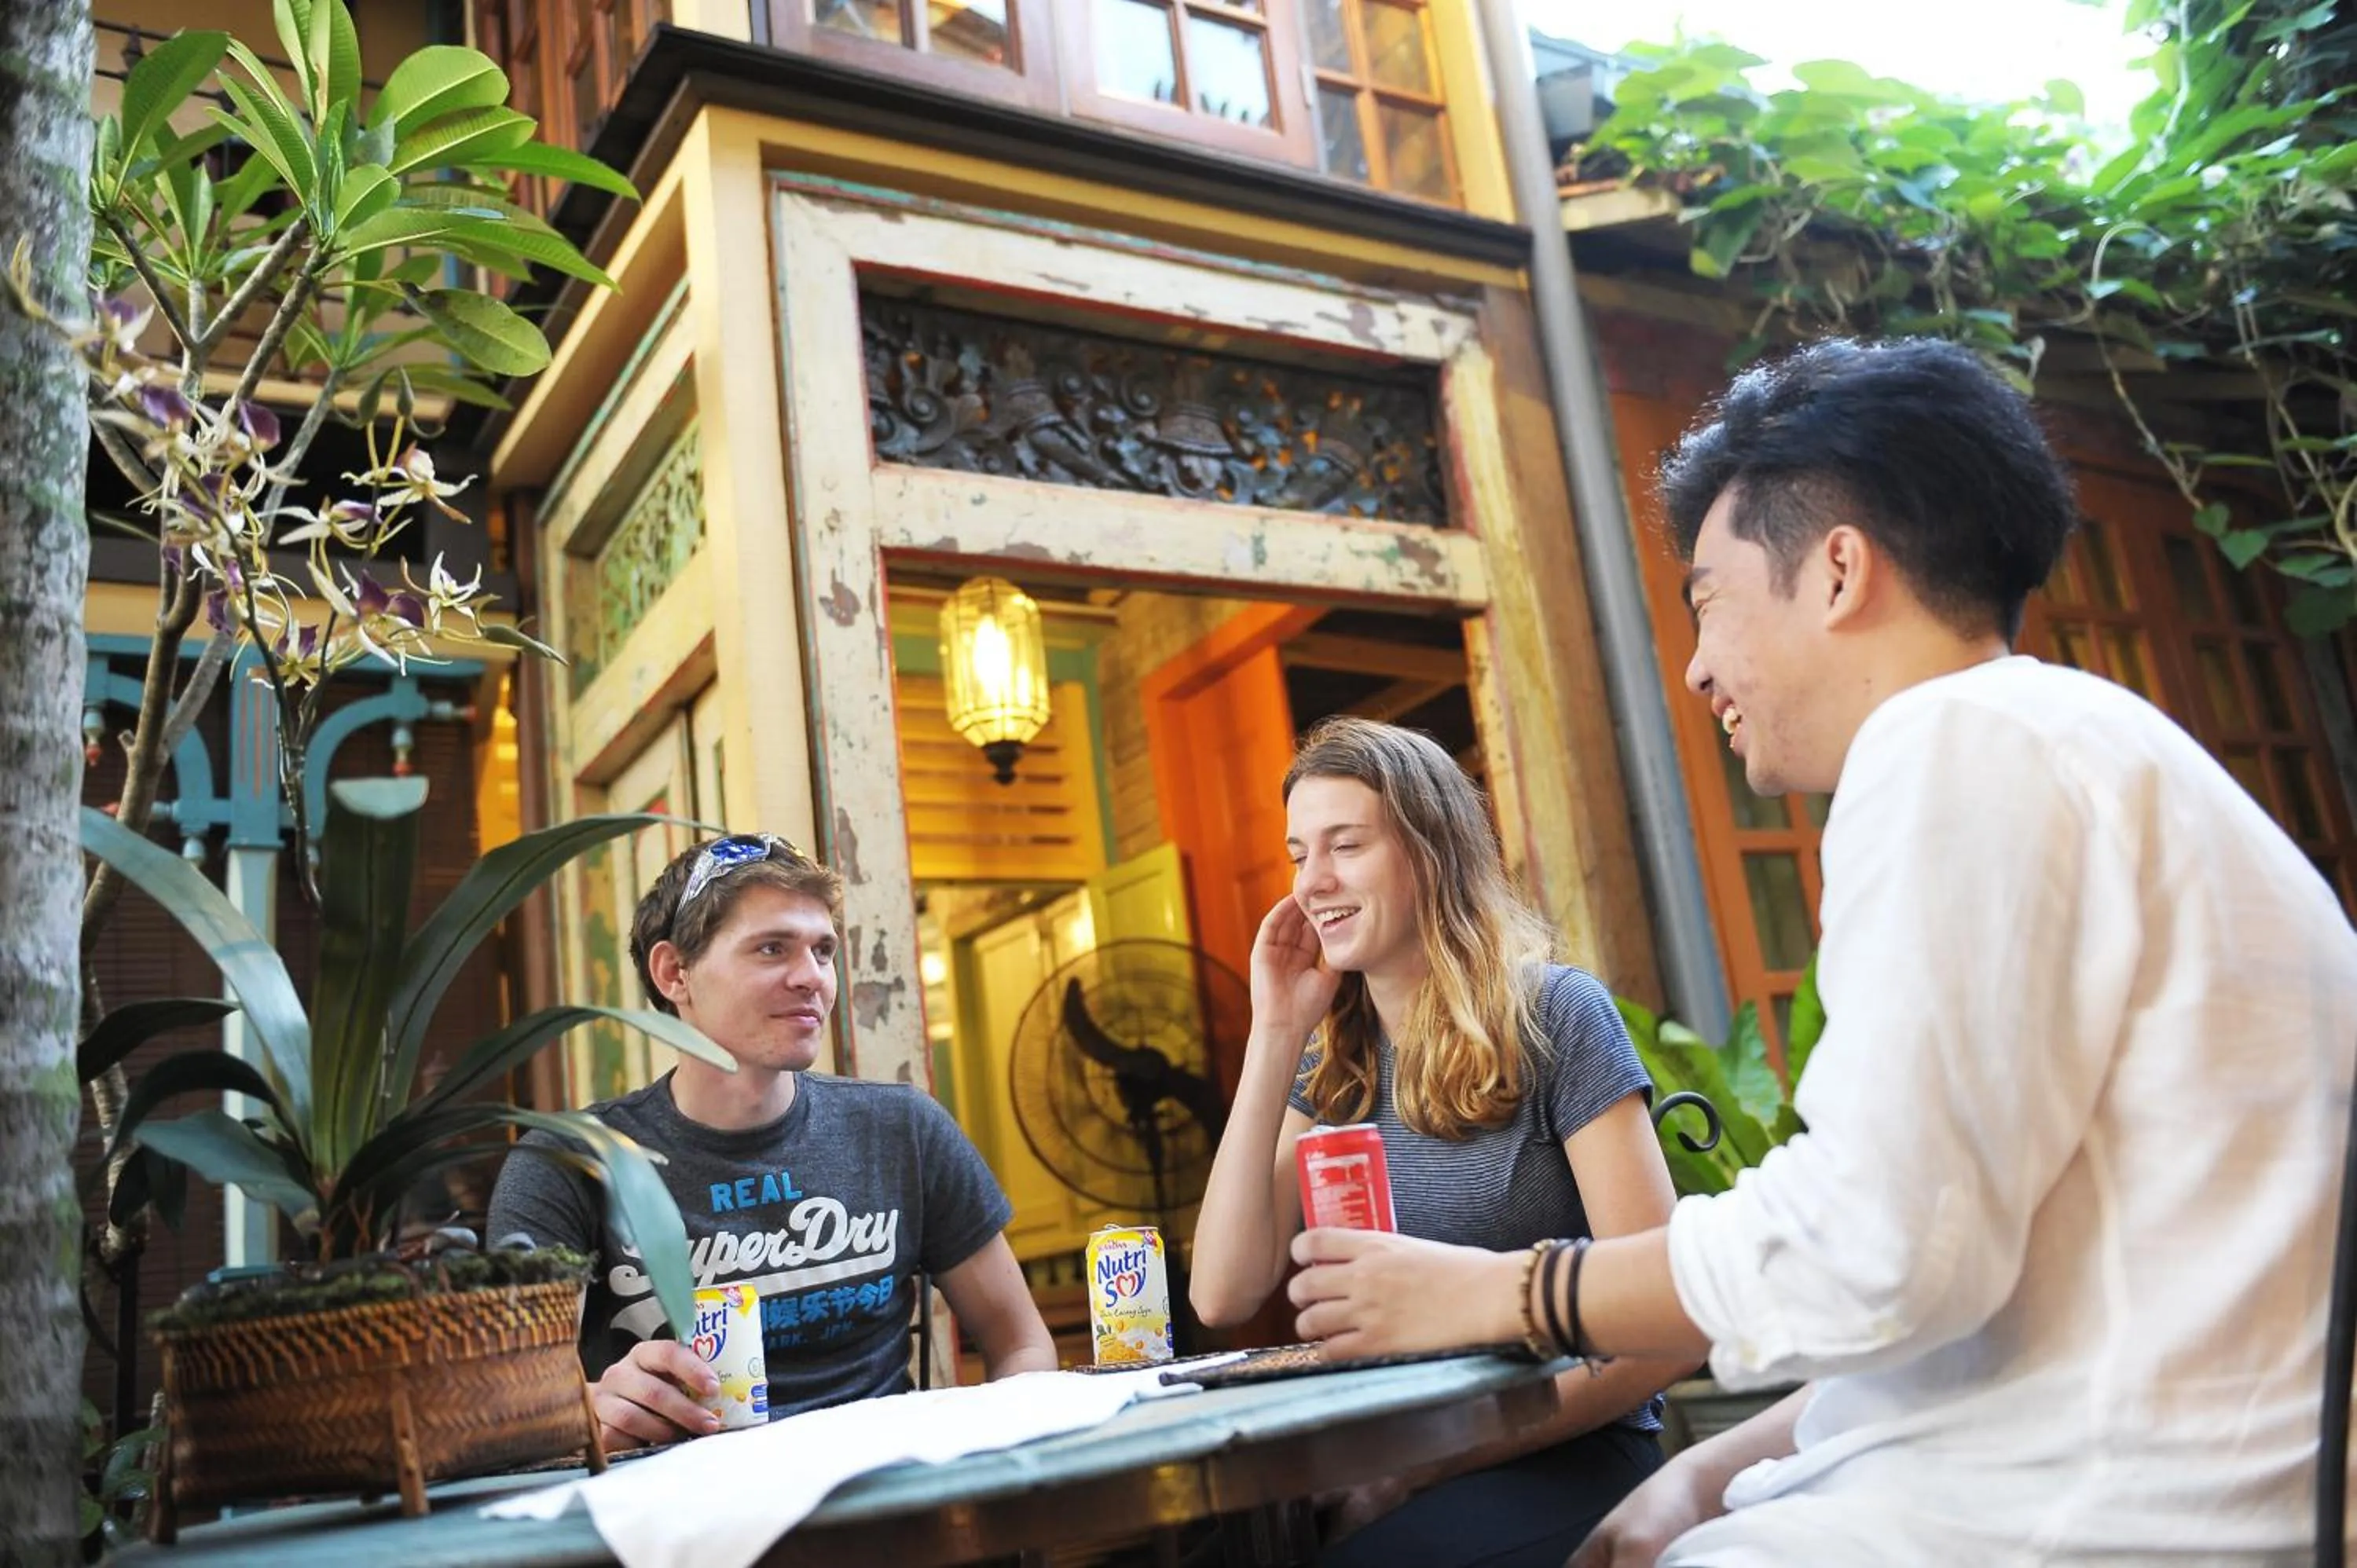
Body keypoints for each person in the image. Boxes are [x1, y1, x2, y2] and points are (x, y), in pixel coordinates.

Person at [1283, 338, 2357, 1565]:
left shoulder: (1957, 745)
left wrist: (1505, 1293)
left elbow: (1881, 1250)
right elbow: (1956, 1284)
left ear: (1838, 571)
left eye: (1708, 600)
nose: (1695, 665)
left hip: (2092, 1517)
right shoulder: (2082, 744)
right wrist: (1705, 1469)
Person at [1189, 716, 1696, 1567]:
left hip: (1565, 1453)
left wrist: (1431, 1467)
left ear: (1429, 853)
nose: (1313, 882)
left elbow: (1668, 1328)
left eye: (1345, 844)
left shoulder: (1559, 1018)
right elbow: (1222, 1291)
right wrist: (1275, 1032)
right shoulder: (1337, 1061)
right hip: (1388, 1458)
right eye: (1297, 853)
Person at [488, 832, 1057, 1450]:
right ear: (674, 972)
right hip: (685, 1524)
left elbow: (1021, 1343)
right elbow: (503, 1403)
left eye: (822, 950)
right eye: (771, 948)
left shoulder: (903, 1131)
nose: (811, 977)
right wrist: (586, 1407)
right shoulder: (568, 1161)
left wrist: (994, 1464)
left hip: (887, 1502)